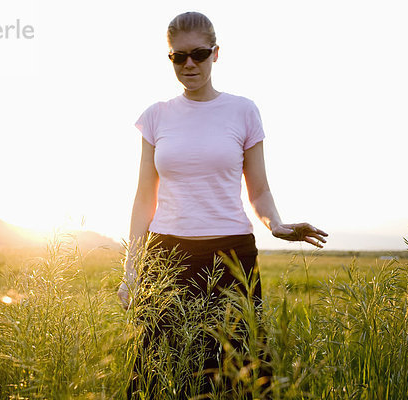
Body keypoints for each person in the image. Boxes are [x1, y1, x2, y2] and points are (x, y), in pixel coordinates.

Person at [118, 11, 328, 398]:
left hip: (232, 257)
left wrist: (275, 224)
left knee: (238, 376)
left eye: (198, 53)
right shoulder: (155, 116)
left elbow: (260, 191)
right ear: (170, 59)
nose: (189, 64)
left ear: (216, 54)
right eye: (178, 56)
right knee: (160, 375)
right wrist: (131, 269)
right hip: (167, 257)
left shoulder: (244, 110)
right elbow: (144, 198)